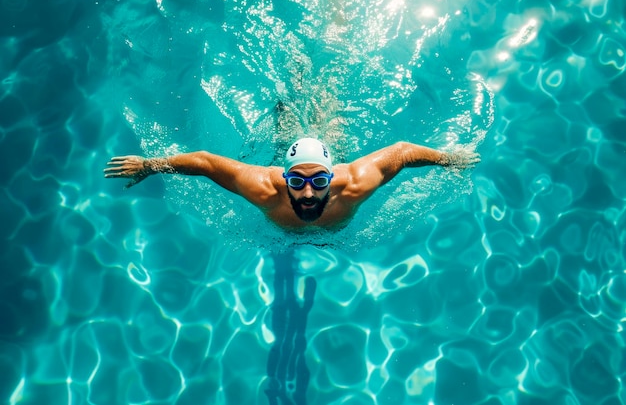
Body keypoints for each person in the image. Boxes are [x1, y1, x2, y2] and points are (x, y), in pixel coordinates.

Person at [104, 138, 479, 231]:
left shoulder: (354, 184)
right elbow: (205, 161)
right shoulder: (265, 188)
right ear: (285, 179)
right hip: (282, 153)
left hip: (338, 150)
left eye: (318, 180)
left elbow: (402, 152)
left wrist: (449, 158)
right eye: (297, 181)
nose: (308, 192)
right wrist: (151, 165)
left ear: (331, 178)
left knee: (330, 124)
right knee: (287, 118)